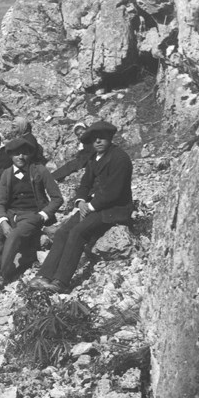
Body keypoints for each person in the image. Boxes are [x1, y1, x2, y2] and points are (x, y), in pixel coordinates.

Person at [32, 119, 133, 295]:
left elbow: (113, 192)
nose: (98, 142)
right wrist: (80, 201)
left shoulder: (120, 158)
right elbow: (85, 184)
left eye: (102, 138)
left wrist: (90, 206)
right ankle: (44, 275)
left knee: (78, 232)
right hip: (95, 206)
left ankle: (61, 281)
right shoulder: (94, 158)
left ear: (110, 138)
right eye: (94, 139)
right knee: (63, 231)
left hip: (114, 209)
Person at [0, 136, 63, 296]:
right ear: (10, 156)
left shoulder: (40, 170)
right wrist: (3, 222)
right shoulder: (7, 174)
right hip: (11, 214)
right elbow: (0, 203)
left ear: (29, 154)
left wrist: (42, 215)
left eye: (24, 153)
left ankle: (0, 276)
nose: (20, 157)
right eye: (16, 154)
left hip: (32, 215)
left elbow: (57, 198)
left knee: (15, 235)